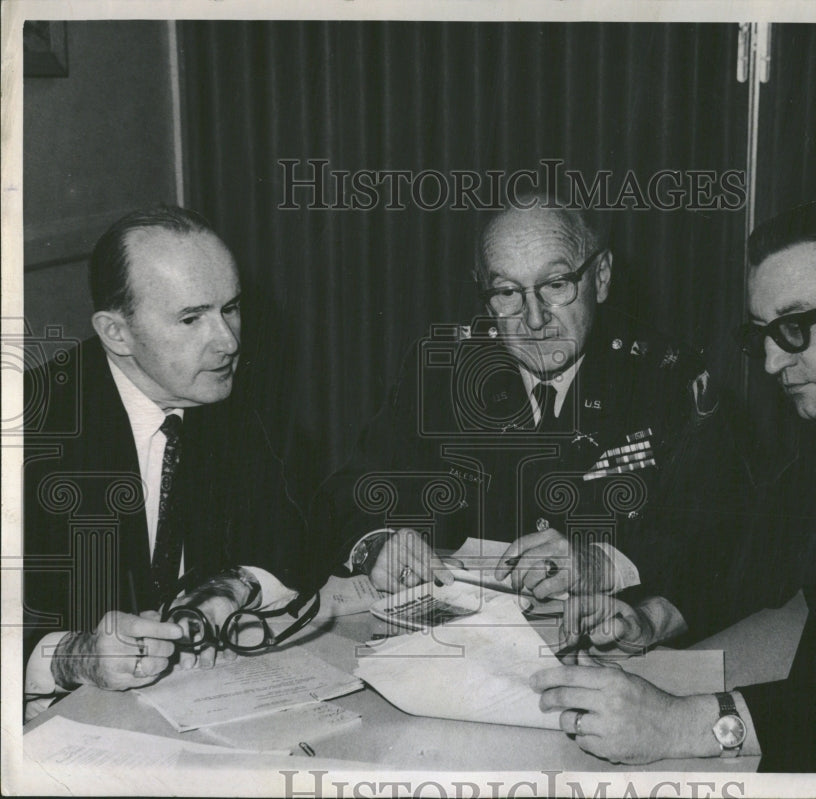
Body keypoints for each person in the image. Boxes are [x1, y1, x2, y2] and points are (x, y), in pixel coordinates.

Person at [531, 198, 816, 772]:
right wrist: (651, 619)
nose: (768, 363)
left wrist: (681, 722)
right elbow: (757, 560)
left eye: (794, 328)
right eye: (760, 334)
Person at [312, 194, 748, 621]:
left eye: (556, 285)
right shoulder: (442, 373)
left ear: (601, 276)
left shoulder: (667, 378)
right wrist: (374, 543)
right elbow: (351, 491)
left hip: (620, 647)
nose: (535, 319)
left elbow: (725, 535)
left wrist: (604, 565)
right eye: (507, 292)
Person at [22, 206, 312, 719]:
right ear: (116, 333)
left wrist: (229, 587)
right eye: (191, 318)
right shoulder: (29, 429)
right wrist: (72, 656)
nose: (228, 341)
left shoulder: (218, 395)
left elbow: (291, 535)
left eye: (232, 308)